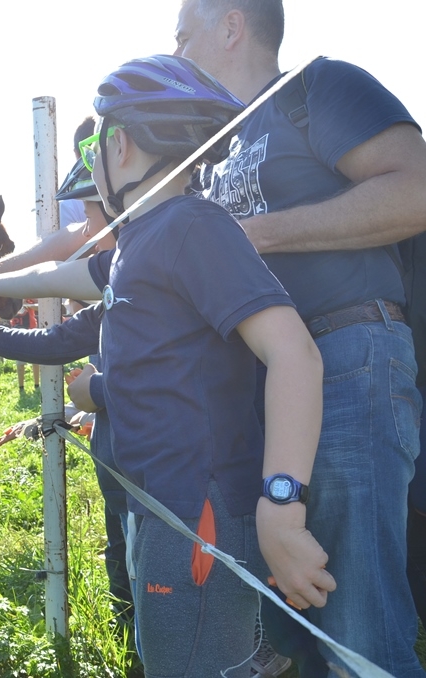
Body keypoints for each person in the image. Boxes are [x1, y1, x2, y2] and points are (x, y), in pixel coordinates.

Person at [0, 55, 335, 677]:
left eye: (94, 141)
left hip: (196, 510)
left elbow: (294, 352)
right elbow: (61, 275)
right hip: (164, 505)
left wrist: (281, 509)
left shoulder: (192, 227)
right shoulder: (139, 243)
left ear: (118, 144)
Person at [174, 2, 426, 675]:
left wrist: (255, 236)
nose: (174, 55)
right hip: (267, 392)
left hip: (348, 361)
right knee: (299, 624)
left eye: (181, 36)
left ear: (230, 24)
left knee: (359, 632)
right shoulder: (213, 151)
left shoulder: (320, 87)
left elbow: (417, 189)